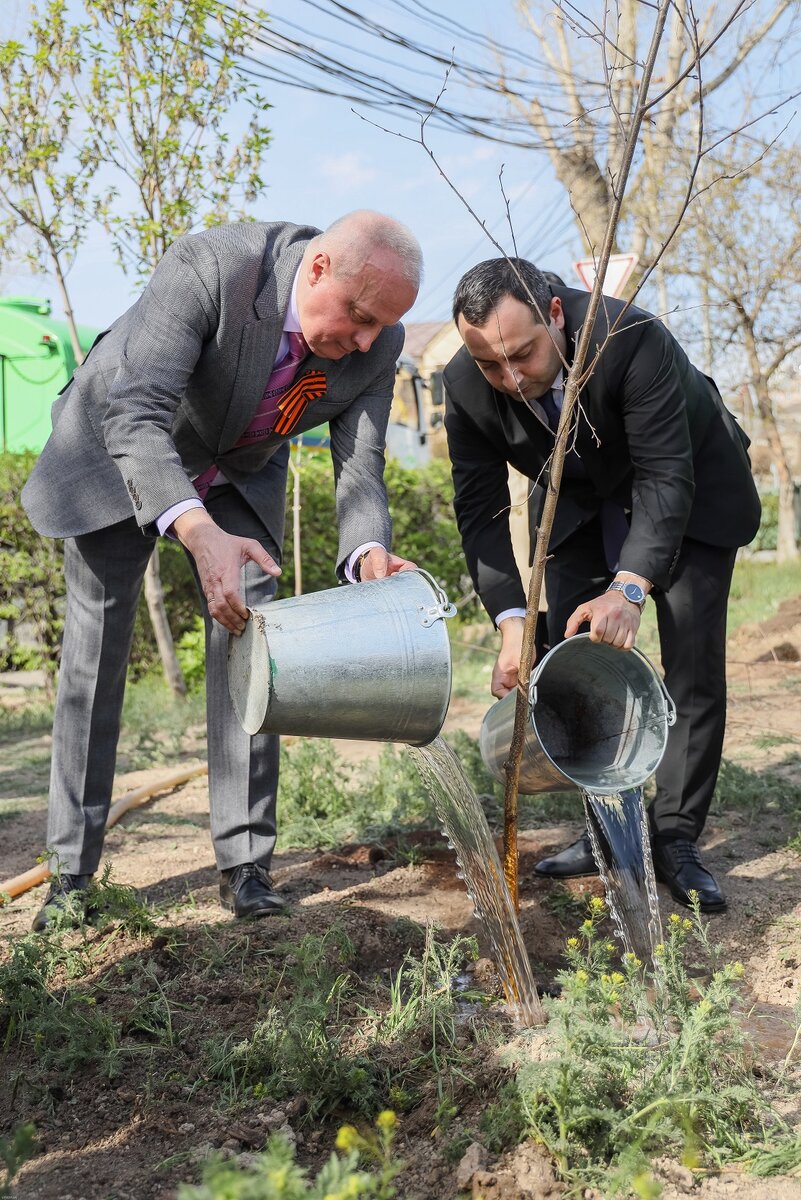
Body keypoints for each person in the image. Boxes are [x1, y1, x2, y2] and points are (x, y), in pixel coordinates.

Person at [23, 210, 422, 929]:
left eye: (378, 328)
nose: (365, 342)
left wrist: (368, 554)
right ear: (319, 269)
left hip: (236, 473)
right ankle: (71, 876)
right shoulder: (211, 265)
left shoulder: (379, 337)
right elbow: (136, 410)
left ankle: (244, 865)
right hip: (120, 454)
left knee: (253, 650)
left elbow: (359, 467)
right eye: (358, 317)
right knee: (94, 661)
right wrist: (194, 526)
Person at [443, 257, 761, 912]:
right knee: (573, 665)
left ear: (555, 313)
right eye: (489, 365)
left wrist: (631, 586)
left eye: (522, 355)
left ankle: (673, 839)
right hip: (577, 505)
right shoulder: (463, 385)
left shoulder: (629, 338)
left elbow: (665, 476)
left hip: (689, 489)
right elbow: (477, 514)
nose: (509, 380)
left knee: (691, 670)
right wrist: (509, 624)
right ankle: (608, 831)